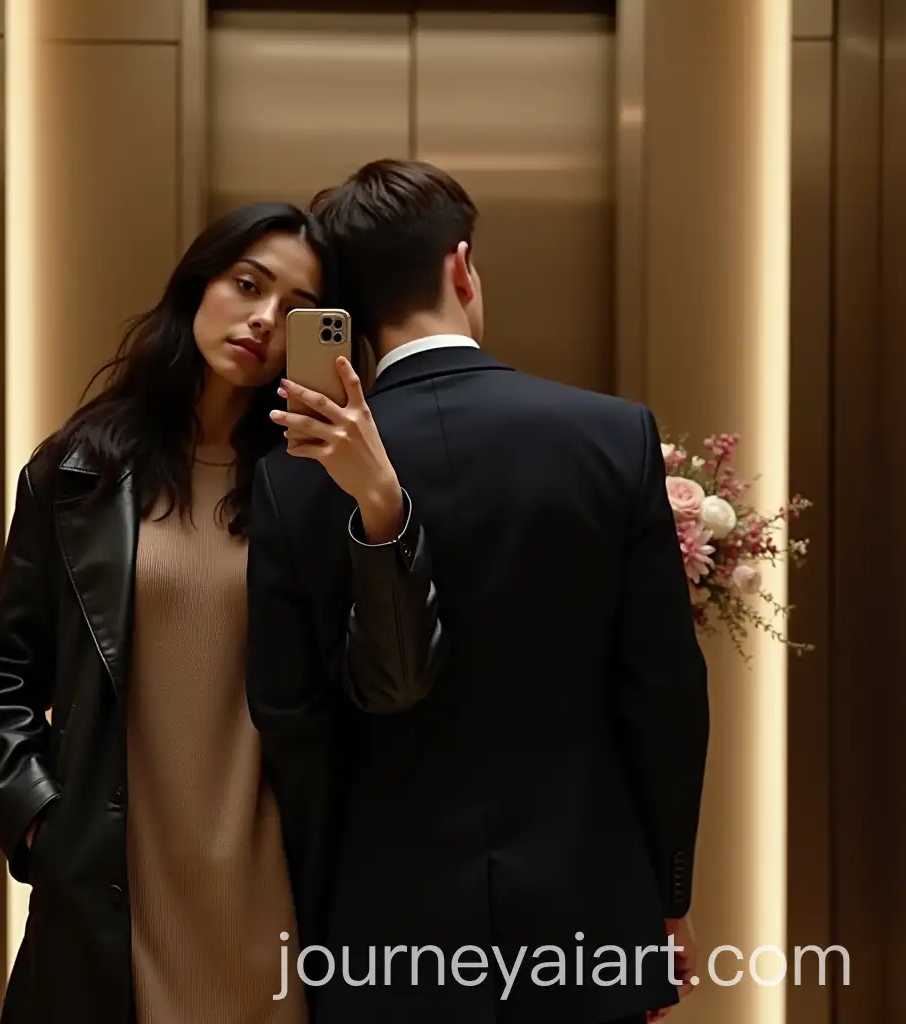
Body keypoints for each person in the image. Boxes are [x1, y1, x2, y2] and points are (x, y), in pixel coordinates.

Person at [246, 161, 710, 1024]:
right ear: (461, 268)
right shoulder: (611, 438)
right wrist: (665, 895)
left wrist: (312, 923)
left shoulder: (291, 481)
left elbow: (292, 726)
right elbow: (664, 694)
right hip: (587, 920)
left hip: (383, 935)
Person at [0, 201, 443, 1024]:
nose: (262, 320)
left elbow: (395, 680)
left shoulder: (312, 487)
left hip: (270, 894)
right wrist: (41, 822)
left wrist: (378, 498)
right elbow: (1, 675)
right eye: (247, 284)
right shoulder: (77, 474)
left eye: (296, 311)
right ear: (198, 284)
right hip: (112, 886)